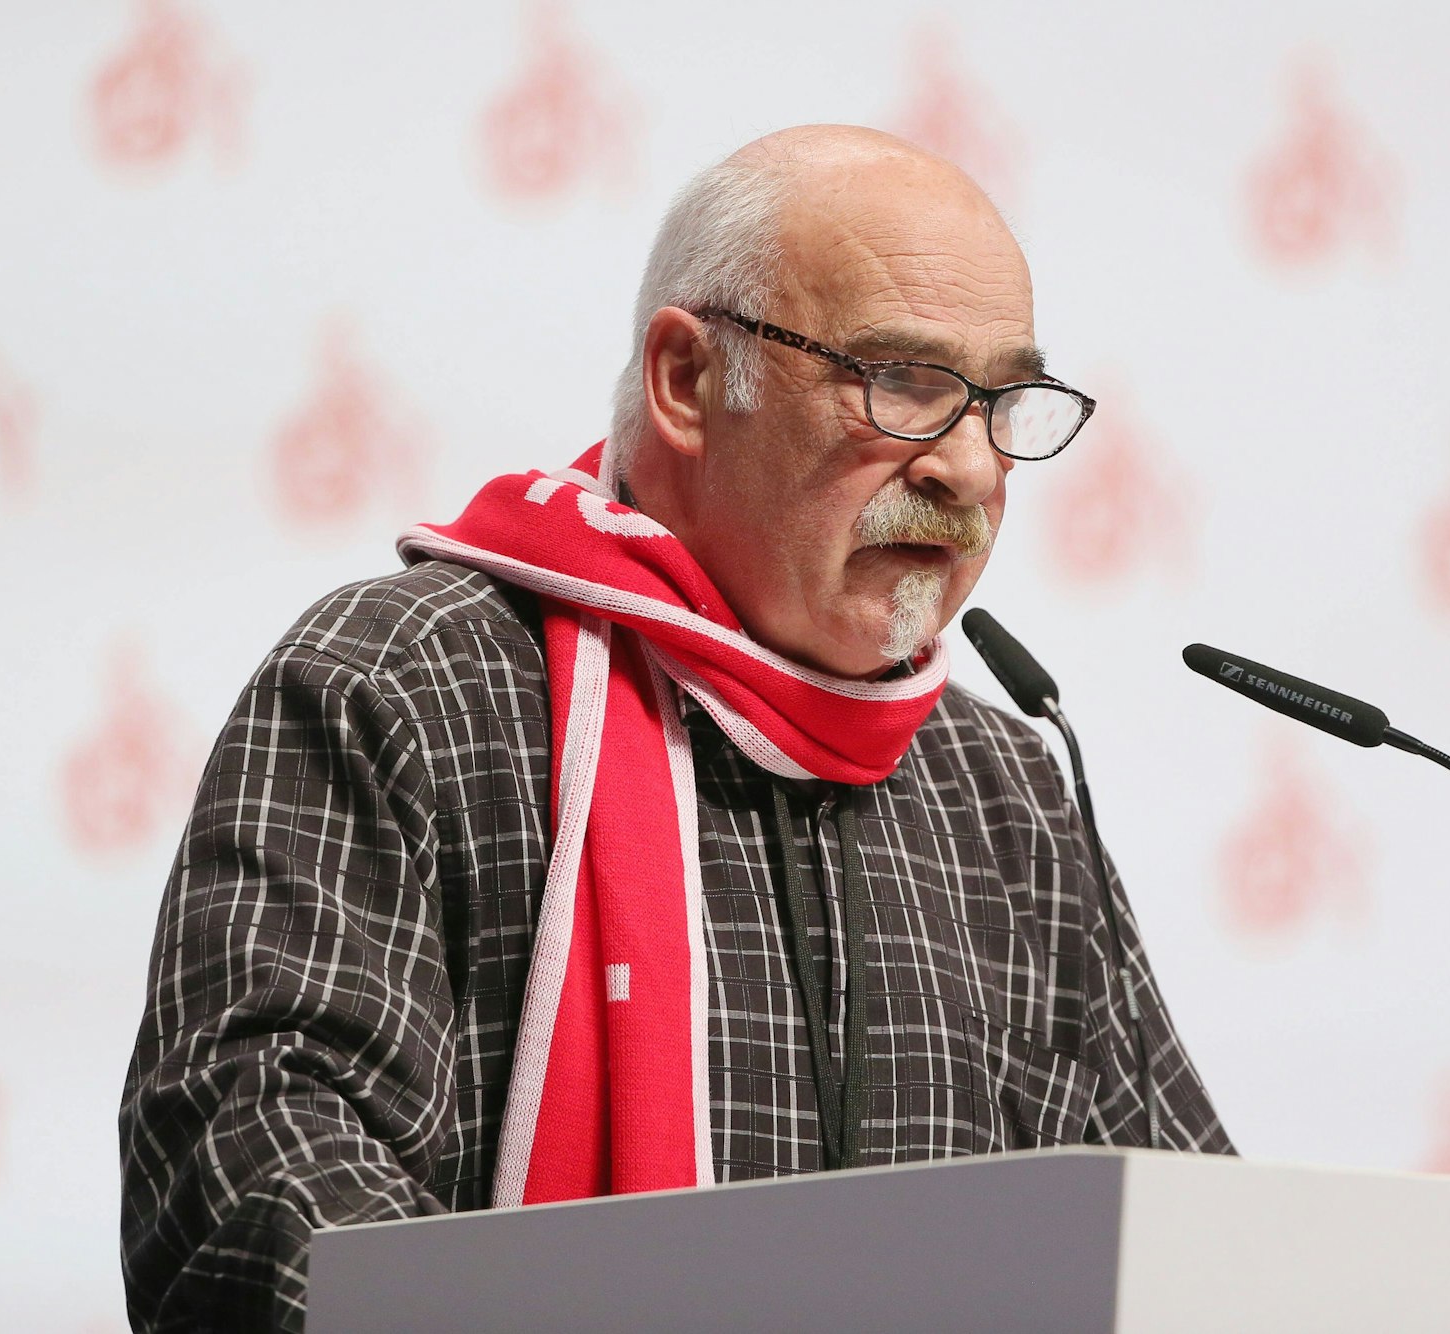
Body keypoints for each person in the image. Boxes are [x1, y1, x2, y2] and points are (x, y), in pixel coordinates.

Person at [119, 124, 1232, 1333]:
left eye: (1001, 400)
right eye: (905, 383)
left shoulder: (1003, 790)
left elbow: (1192, 1240)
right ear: (689, 383)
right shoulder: (409, 683)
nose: (968, 465)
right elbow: (251, 1170)